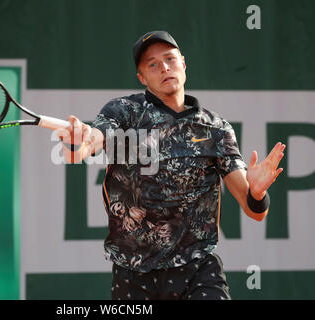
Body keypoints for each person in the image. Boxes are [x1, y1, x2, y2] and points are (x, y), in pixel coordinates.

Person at [56, 30, 285, 300]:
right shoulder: (123, 111)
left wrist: (257, 193)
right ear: (142, 78)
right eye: (152, 64)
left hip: (198, 269)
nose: (164, 67)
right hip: (134, 273)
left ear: (183, 64)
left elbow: (255, 212)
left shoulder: (216, 130)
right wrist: (76, 143)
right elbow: (87, 146)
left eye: (170, 59)